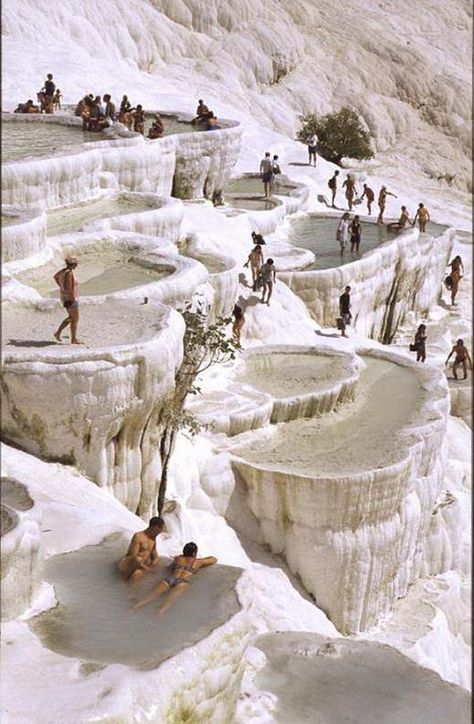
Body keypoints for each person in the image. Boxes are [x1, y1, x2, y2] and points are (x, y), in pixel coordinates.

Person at [132, 542, 217, 615]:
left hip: (170, 579)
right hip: (182, 582)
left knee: (147, 599)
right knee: (163, 608)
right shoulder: (198, 562)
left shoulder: (178, 558)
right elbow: (214, 559)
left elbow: (168, 569)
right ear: (194, 553)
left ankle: (133, 610)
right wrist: (199, 559)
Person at [118, 517, 165, 582]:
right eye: (161, 529)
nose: (161, 532)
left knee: (138, 574)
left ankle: (126, 589)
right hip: (129, 564)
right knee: (138, 559)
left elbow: (155, 556)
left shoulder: (153, 538)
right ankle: (122, 579)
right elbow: (133, 556)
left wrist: (153, 565)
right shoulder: (138, 536)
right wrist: (148, 569)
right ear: (155, 527)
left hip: (141, 566)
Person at [53, 256, 82, 344]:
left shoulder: (63, 271)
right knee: (75, 318)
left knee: (72, 318)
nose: (77, 265)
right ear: (72, 265)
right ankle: (66, 336)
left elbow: (55, 277)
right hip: (70, 298)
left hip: (64, 297)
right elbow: (70, 288)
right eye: (76, 264)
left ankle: (70, 337)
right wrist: (72, 300)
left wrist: (61, 287)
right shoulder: (69, 273)